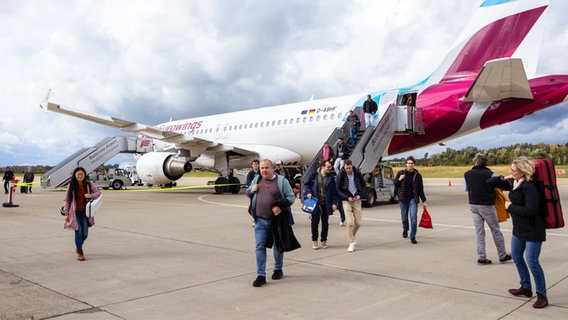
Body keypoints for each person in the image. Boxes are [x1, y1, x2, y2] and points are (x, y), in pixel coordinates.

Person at [489, 157, 548, 308]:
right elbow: (490, 183)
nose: (511, 172)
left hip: (533, 229)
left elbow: (531, 210)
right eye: (510, 170)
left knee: (532, 261)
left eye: (513, 170)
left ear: (522, 172)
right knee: (516, 257)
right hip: (519, 229)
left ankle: (542, 295)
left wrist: (510, 206)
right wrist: (506, 177)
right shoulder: (514, 183)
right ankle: (526, 287)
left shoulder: (530, 187)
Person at [246, 159, 296, 287]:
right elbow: (248, 193)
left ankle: (278, 268)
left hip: (276, 220)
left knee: (277, 245)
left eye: (266, 168)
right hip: (260, 220)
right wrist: (252, 190)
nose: (264, 170)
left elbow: (291, 197)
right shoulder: (257, 180)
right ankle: (261, 275)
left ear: (272, 168)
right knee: (259, 246)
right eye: (262, 168)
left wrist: (281, 207)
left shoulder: (281, 181)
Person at [464, 155, 511, 265]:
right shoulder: (490, 174)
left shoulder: (467, 174)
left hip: (473, 205)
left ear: (476, 163)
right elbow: (498, 185)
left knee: (479, 232)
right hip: (487, 205)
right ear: (485, 164)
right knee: (495, 230)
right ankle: (502, 255)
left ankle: (481, 256)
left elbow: (466, 188)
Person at [62, 167, 101, 261]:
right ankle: (80, 251)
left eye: (82, 174)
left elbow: (98, 193)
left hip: (85, 213)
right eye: (78, 174)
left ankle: (78, 245)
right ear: (75, 175)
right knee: (78, 232)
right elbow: (67, 200)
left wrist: (91, 195)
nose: (80, 176)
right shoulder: (71, 186)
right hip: (74, 213)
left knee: (85, 234)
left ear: (84, 175)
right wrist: (66, 213)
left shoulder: (88, 184)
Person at [304, 160, 338, 249]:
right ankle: (314, 241)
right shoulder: (314, 175)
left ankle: (324, 240)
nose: (329, 169)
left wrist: (335, 203)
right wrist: (308, 192)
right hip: (315, 203)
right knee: (314, 223)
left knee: (325, 223)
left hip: (326, 203)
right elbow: (306, 185)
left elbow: (334, 192)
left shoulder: (331, 178)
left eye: (330, 167)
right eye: (328, 167)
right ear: (322, 166)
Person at [393, 156, 427, 244]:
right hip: (403, 199)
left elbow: (420, 189)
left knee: (413, 217)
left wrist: (424, 200)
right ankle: (405, 229)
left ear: (414, 164)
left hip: (413, 199)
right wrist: (400, 179)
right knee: (404, 217)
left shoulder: (418, 175)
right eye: (408, 163)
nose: (410, 165)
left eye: (411, 163)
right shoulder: (401, 173)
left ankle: (413, 236)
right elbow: (395, 183)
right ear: (406, 164)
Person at [336, 159, 365, 252]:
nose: (348, 170)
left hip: (357, 200)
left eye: (349, 168)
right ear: (344, 167)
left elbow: (363, 186)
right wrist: (346, 197)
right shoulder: (341, 174)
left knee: (358, 223)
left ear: (352, 166)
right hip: (347, 200)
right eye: (346, 168)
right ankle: (351, 243)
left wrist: (360, 195)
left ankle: (352, 235)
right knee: (349, 223)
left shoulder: (357, 173)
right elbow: (338, 189)